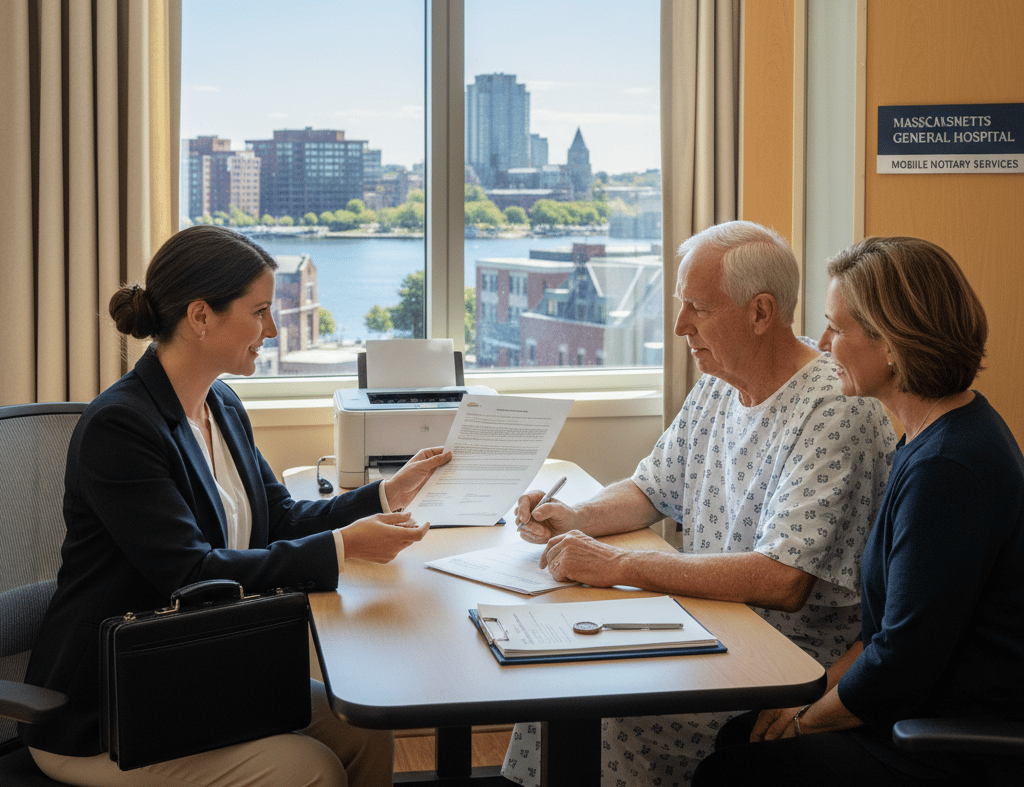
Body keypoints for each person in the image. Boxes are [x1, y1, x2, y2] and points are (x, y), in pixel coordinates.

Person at [21, 225, 451, 787]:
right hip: (106, 711)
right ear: (201, 317)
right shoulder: (121, 426)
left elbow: (277, 519)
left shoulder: (220, 403)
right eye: (260, 312)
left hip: (195, 674)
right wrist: (345, 548)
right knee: (310, 769)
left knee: (363, 726)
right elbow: (191, 573)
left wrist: (384, 494)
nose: (272, 329)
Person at [501, 221, 896, 787]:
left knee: (605, 714)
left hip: (774, 663)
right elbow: (650, 488)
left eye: (698, 308)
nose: (681, 325)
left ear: (760, 313)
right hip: (702, 623)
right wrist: (580, 517)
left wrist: (620, 566)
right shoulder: (719, 379)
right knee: (557, 690)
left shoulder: (836, 409)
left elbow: (783, 580)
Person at [691, 236, 1024, 787]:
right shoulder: (934, 437)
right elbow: (883, 634)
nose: (822, 344)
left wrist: (803, 722)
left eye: (837, 328)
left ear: (891, 344)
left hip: (941, 744)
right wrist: (819, 691)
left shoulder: (950, 469)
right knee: (739, 736)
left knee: (732, 772)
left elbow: (899, 663)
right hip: (910, 711)